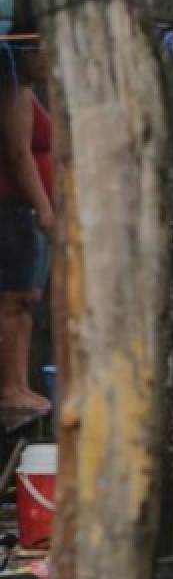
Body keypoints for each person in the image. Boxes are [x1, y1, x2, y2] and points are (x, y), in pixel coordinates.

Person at [0, 37, 54, 412]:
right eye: (44, 51)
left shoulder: (28, 92)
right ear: (26, 53)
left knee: (27, 301)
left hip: (23, 211)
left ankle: (18, 383)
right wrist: (45, 209)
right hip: (16, 209)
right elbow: (19, 154)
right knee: (14, 301)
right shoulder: (13, 90)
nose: (50, 59)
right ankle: (10, 388)